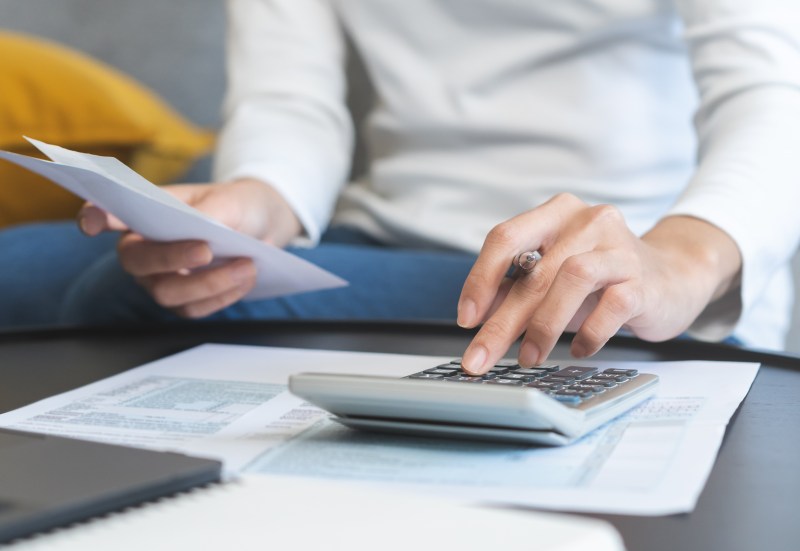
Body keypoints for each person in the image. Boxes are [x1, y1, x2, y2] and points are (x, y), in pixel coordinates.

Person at [1, 0, 799, 374]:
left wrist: (683, 257)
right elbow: (291, 102)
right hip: (382, 233)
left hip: (610, 271)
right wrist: (259, 197)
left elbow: (773, 93)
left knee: (121, 299)